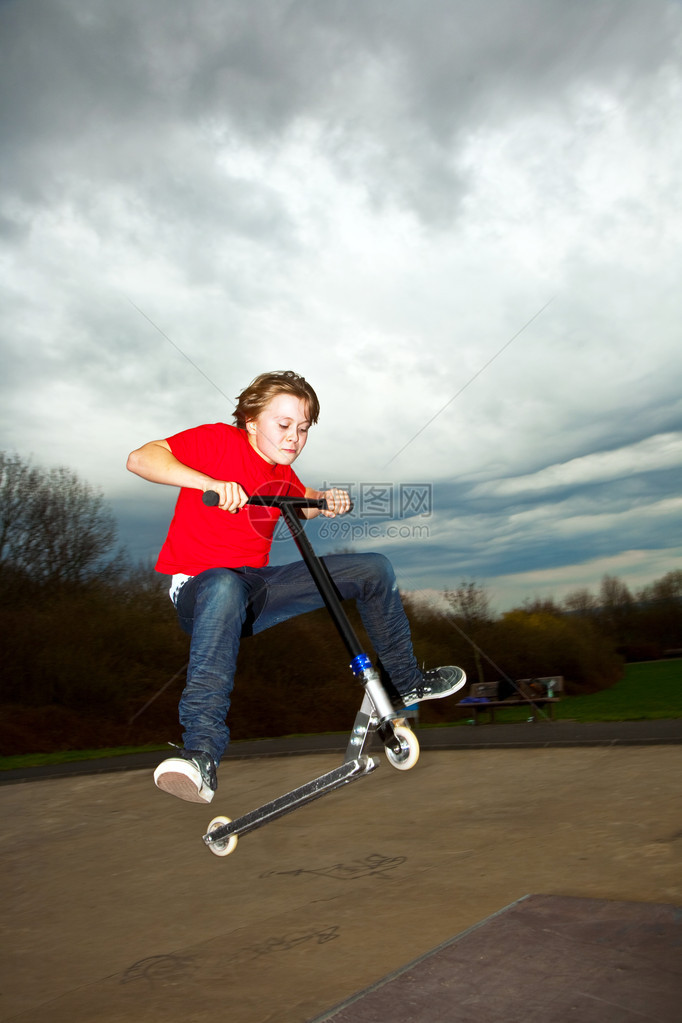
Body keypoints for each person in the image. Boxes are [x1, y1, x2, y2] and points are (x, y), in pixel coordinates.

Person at [127, 370, 465, 804]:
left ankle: (405, 681)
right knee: (224, 585)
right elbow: (140, 458)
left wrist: (323, 501)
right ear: (250, 421)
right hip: (202, 591)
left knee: (373, 569)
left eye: (303, 429)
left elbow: (299, 499)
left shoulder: (281, 473)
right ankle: (201, 755)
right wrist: (209, 483)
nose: (294, 438)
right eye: (283, 425)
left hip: (257, 589)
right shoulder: (216, 440)